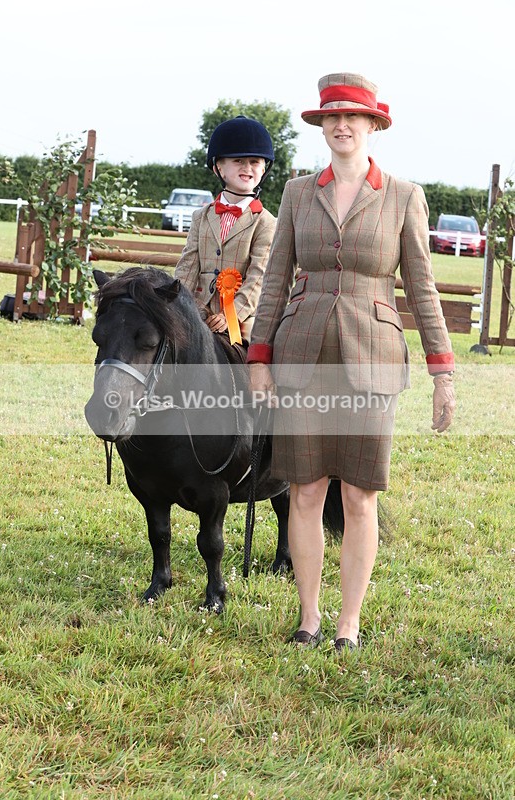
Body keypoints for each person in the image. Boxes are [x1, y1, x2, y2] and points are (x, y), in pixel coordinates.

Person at [247, 73, 456, 651]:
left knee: (360, 495)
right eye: (331, 117)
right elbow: (274, 282)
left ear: (373, 125)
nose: (341, 125)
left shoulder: (404, 197)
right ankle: (309, 618)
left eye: (352, 116)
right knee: (306, 491)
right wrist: (259, 358)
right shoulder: (296, 193)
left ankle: (349, 624)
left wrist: (442, 372)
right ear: (322, 126)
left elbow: (422, 287)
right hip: (302, 354)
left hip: (374, 358)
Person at [175, 116, 276, 343]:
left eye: (254, 162)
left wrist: (232, 315)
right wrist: (178, 304)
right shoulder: (201, 217)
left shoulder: (266, 223)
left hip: (242, 318)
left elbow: (258, 277)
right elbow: (188, 267)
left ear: (263, 168)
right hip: (198, 311)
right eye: (238, 161)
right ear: (218, 167)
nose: (247, 168)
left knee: (257, 351)